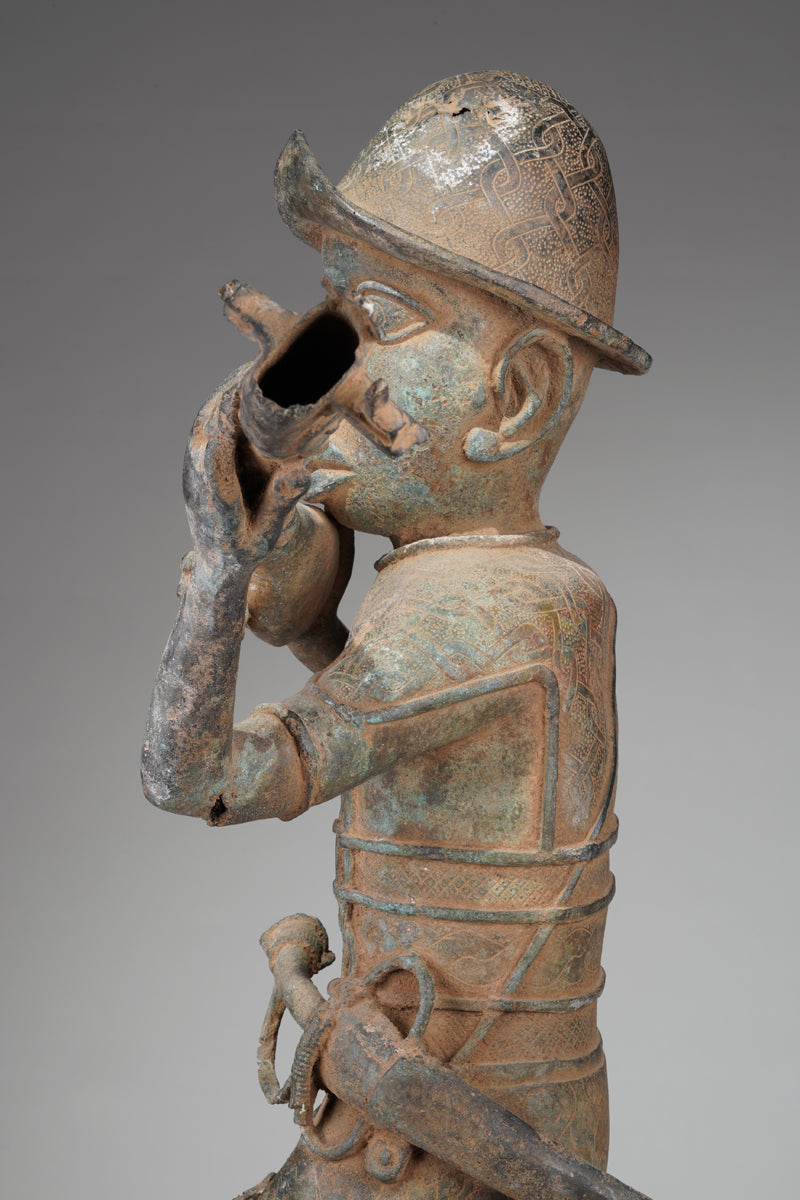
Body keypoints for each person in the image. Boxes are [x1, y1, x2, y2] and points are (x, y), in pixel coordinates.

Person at [142, 70, 650, 1200]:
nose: (331, 363)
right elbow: (425, 754)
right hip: (439, 1114)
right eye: (331, 317)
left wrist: (218, 568)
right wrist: (310, 622)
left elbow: (195, 781)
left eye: (376, 321)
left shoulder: (482, 608)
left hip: (448, 1144)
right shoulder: (530, 594)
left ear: (515, 396)